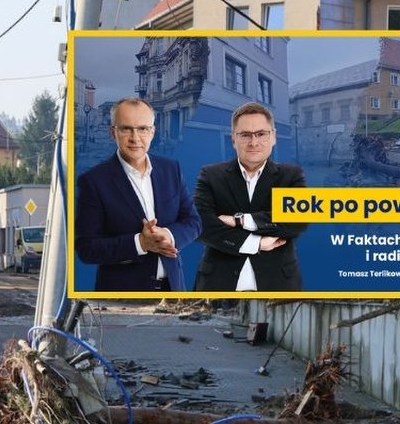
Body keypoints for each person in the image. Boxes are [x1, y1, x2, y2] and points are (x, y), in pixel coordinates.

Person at [75, 97, 201, 291]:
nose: (135, 138)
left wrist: (168, 234)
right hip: (122, 295)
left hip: (174, 289)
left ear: (152, 132)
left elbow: (193, 222)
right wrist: (140, 243)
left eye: (142, 129)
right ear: (113, 132)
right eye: (126, 129)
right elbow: (86, 248)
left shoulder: (171, 169)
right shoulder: (93, 181)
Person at [193, 102, 308, 292]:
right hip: (217, 285)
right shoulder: (211, 175)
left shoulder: (291, 176)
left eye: (261, 134)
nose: (253, 142)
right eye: (245, 135)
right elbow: (200, 225)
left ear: (273, 137)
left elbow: (297, 221)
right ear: (233, 139)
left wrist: (240, 220)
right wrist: (256, 243)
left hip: (278, 285)